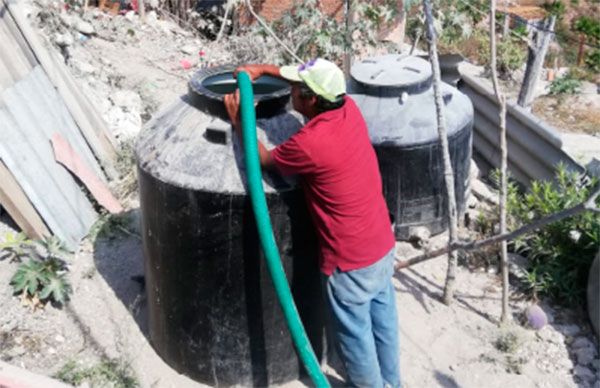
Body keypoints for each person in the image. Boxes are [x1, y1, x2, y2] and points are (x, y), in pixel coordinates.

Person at [224, 58, 400, 388]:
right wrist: (264, 70)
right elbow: (306, 79)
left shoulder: (311, 143)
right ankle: (393, 382)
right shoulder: (348, 110)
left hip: (349, 260)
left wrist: (238, 121)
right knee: (383, 319)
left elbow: (263, 159)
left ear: (311, 100)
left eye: (295, 90)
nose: (290, 92)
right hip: (381, 242)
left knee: (355, 337)